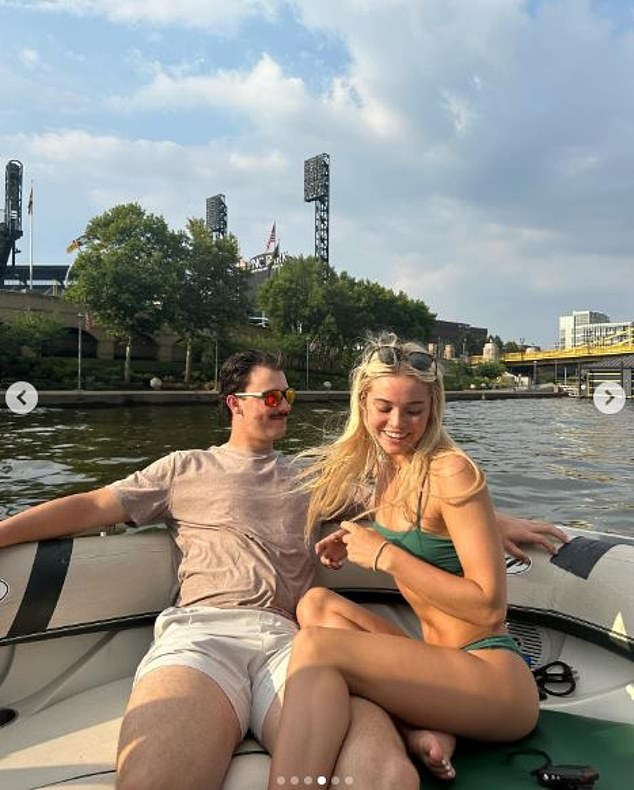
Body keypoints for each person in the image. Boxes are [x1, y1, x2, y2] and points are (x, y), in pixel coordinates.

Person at [0, 350, 566, 790]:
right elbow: (93, 506)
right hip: (204, 634)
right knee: (155, 778)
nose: (284, 406)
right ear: (235, 403)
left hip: (293, 640)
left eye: (287, 395)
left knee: (383, 776)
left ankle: (411, 726)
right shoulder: (183, 468)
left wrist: (500, 520)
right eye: (271, 397)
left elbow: (418, 501)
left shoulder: (317, 478)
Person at [267, 334, 544, 788]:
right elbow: (427, 535)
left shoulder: (451, 470)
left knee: (317, 649)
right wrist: (358, 535)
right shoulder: (387, 469)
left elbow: (490, 607)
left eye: (414, 410)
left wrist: (384, 554)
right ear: (363, 404)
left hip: (493, 678)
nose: (399, 423)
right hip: (438, 660)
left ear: (433, 407)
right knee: (315, 605)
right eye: (385, 408)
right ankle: (422, 726)